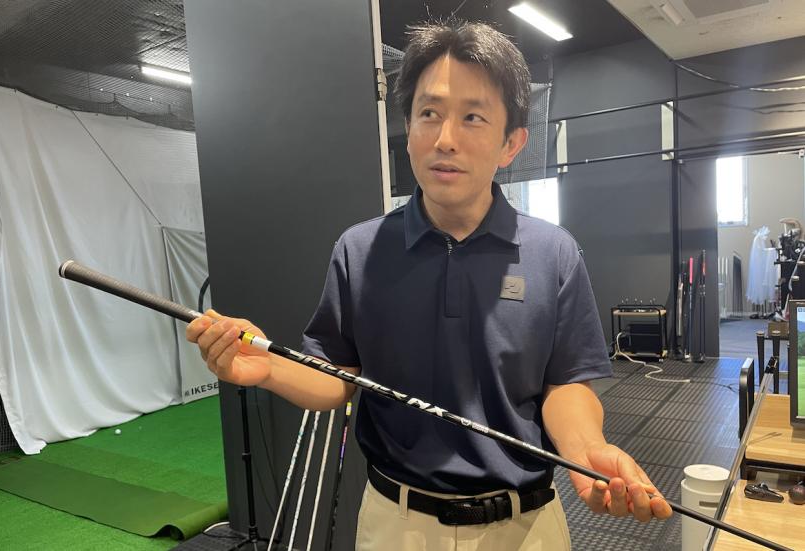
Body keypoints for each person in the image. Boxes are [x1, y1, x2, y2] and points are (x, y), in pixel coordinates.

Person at [186, 19, 671, 551]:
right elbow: (337, 376)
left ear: (511, 143)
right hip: (396, 525)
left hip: (527, 526)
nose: (445, 139)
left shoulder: (553, 253)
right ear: (409, 127)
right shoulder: (360, 250)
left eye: (472, 117)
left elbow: (567, 384)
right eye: (429, 114)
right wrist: (267, 366)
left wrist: (585, 450)